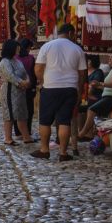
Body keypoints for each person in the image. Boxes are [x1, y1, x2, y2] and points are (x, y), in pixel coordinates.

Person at [31, 24, 87, 161]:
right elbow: (82, 74)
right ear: (70, 33)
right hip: (69, 89)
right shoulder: (77, 49)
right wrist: (78, 90)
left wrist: (43, 81)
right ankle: (63, 153)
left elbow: (38, 68)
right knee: (64, 121)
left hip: (50, 87)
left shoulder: (47, 46)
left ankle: (44, 150)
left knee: (45, 120)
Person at [79, 59, 112, 138]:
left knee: (91, 109)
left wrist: (99, 83)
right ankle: (86, 133)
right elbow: (108, 86)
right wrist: (97, 85)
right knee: (88, 108)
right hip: (111, 96)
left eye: (111, 57)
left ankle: (82, 133)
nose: (109, 59)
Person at [0, 39, 32, 145]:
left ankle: (26, 137)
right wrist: (22, 83)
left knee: (22, 114)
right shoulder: (4, 62)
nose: (19, 49)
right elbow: (10, 76)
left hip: (20, 92)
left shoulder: (17, 61)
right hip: (10, 92)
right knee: (9, 115)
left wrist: (27, 81)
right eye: (17, 48)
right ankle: (8, 138)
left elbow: (25, 73)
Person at [15, 38, 37, 125]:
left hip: (17, 86)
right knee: (29, 110)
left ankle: (18, 132)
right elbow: (33, 74)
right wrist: (34, 86)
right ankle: (28, 130)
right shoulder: (31, 58)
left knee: (18, 109)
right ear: (28, 48)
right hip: (28, 86)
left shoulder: (15, 58)